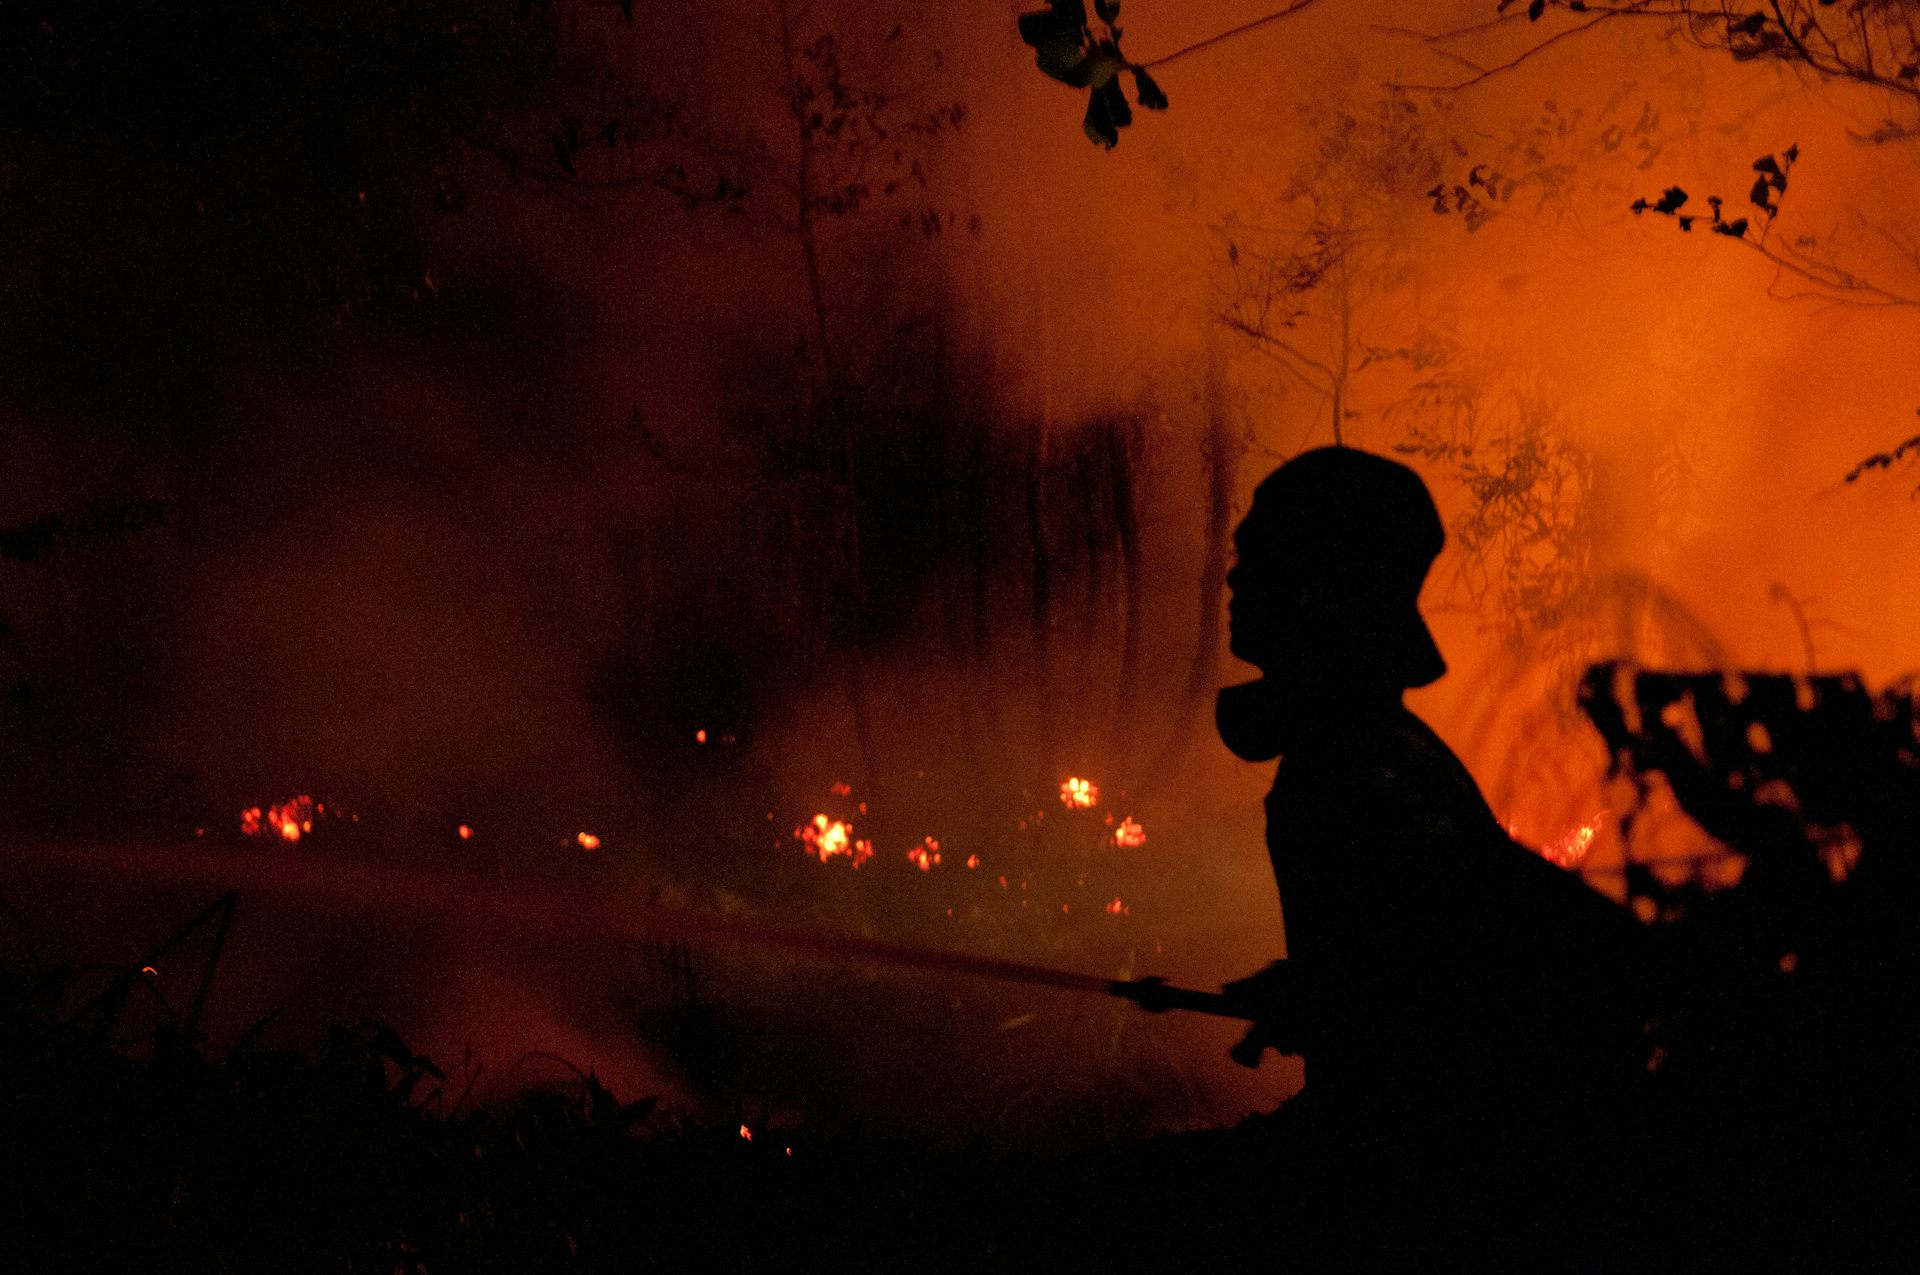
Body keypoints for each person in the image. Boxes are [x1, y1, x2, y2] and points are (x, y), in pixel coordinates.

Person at [1213, 447, 1641, 1251]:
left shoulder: (1351, 765)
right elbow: (1434, 935)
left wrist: (1332, 998)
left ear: (1319, 586)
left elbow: (1446, 1003)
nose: (1235, 582)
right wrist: (1314, 983)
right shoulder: (1371, 746)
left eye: (1256, 558)